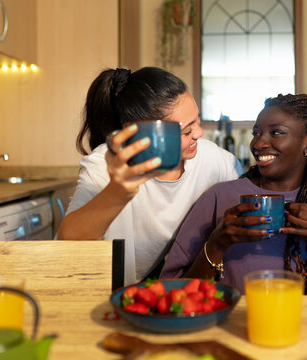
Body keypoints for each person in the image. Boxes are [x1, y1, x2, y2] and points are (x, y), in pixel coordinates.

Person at [160, 93, 307, 295]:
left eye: (276, 132)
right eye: (256, 133)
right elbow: (173, 293)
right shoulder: (219, 197)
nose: (258, 143)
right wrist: (217, 243)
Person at [56, 67, 243, 285]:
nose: (199, 134)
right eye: (186, 131)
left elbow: (243, 197)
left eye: (197, 121)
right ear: (143, 134)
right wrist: (118, 192)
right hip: (106, 289)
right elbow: (68, 241)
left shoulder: (214, 160)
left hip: (168, 283)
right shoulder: (106, 164)